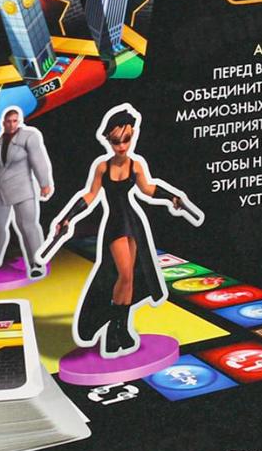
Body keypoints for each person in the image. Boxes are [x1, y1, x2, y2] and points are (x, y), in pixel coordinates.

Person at [39, 103, 203, 356]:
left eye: (126, 139)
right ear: (108, 140)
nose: (122, 146)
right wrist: (68, 218)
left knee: (131, 277)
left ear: (133, 136)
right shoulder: (102, 167)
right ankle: (114, 329)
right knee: (124, 275)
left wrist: (171, 197)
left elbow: (148, 189)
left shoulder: (135, 165)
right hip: (115, 224)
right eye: (116, 141)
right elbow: (90, 195)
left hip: (133, 222)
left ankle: (121, 330)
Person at [0, 106, 53, 279]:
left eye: (15, 121)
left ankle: (36, 262)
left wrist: (44, 183)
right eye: (9, 121)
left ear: (19, 121)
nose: (12, 124)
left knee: (27, 226)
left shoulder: (29, 137)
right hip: (0, 190)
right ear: (4, 123)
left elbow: (38, 160)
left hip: (22, 189)